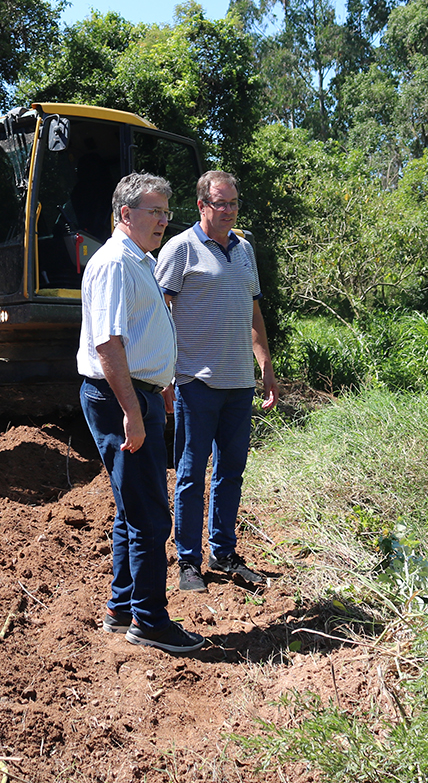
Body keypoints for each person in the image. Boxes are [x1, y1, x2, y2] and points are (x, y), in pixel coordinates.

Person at [78, 172, 207, 654]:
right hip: (120, 398)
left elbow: (138, 333)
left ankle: (124, 607)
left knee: (133, 509)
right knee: (152, 516)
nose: (164, 221)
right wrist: (133, 408)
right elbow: (108, 344)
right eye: (155, 212)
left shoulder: (139, 260)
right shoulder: (115, 263)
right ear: (125, 214)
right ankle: (151, 621)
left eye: (167, 212)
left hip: (138, 393)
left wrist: (162, 383)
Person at [155, 169, 279, 593]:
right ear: (202, 206)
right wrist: (165, 372)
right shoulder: (180, 249)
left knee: (232, 471)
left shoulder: (244, 251)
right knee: (191, 473)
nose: (228, 211)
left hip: (239, 382)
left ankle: (223, 552)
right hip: (195, 381)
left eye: (233, 204)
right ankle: (188, 561)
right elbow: (158, 312)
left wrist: (265, 366)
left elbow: (254, 313)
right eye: (219, 203)